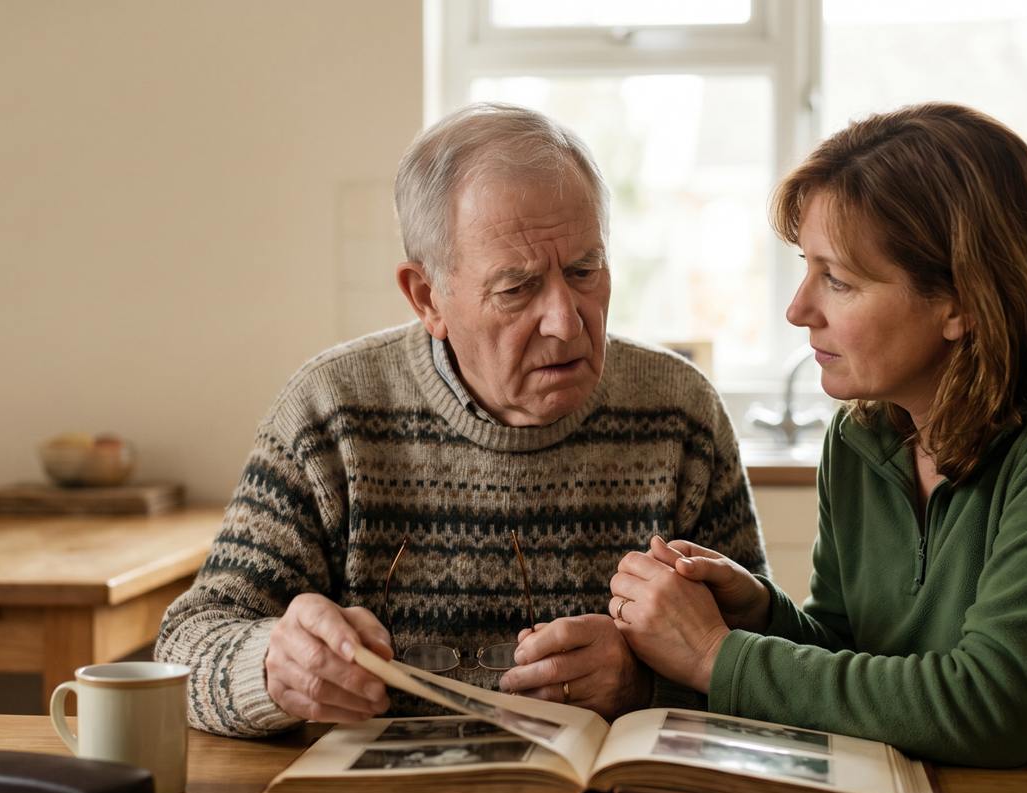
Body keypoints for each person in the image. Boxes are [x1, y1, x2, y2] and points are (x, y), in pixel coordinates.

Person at [609, 102, 1027, 767]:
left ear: (962, 302)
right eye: (807, 266)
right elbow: (855, 656)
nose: (798, 308)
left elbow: (996, 707)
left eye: (838, 279)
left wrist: (717, 656)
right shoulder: (862, 436)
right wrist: (762, 617)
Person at [155, 103, 766, 738]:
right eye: (517, 289)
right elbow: (183, 649)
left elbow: (764, 663)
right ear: (427, 297)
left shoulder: (681, 413)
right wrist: (274, 669)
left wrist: (644, 686)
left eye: (585, 271)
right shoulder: (329, 413)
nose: (566, 319)